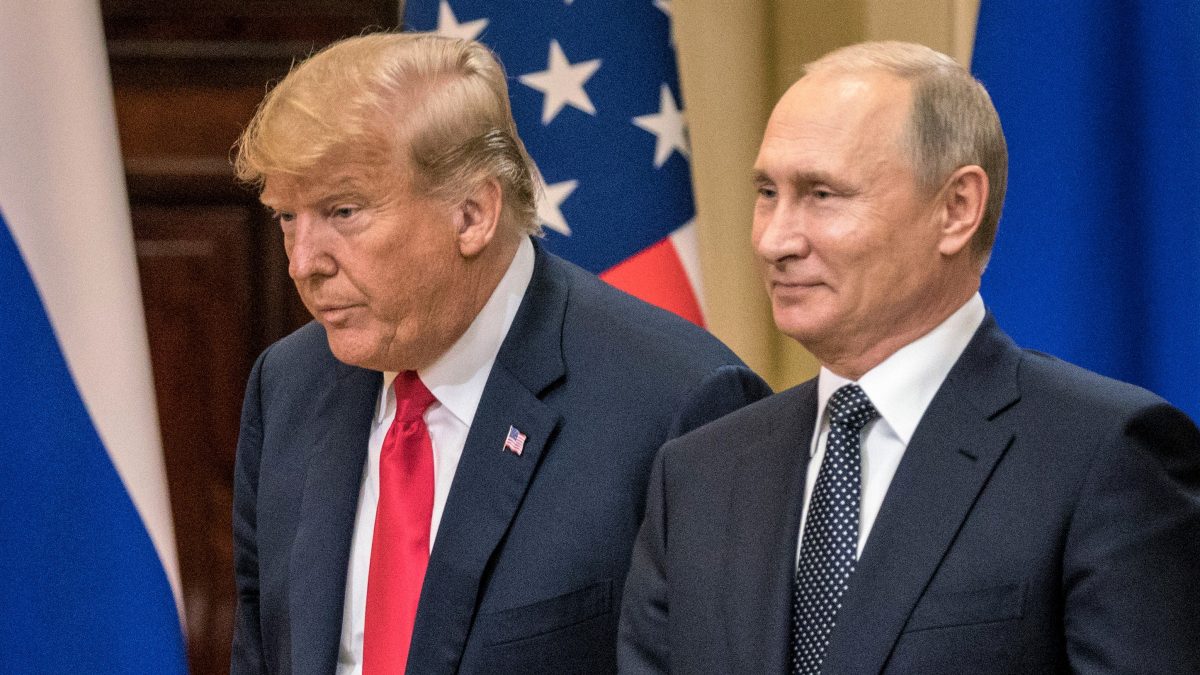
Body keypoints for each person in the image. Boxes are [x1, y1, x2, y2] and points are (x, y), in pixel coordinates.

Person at [618, 41, 1200, 674]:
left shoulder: (1103, 456)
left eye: (822, 194)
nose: (775, 239)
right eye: (766, 191)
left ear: (955, 210)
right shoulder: (700, 473)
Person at [229, 32, 771, 675]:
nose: (302, 263)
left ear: (472, 215)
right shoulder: (290, 383)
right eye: (286, 217)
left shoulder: (681, 405)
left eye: (342, 211)